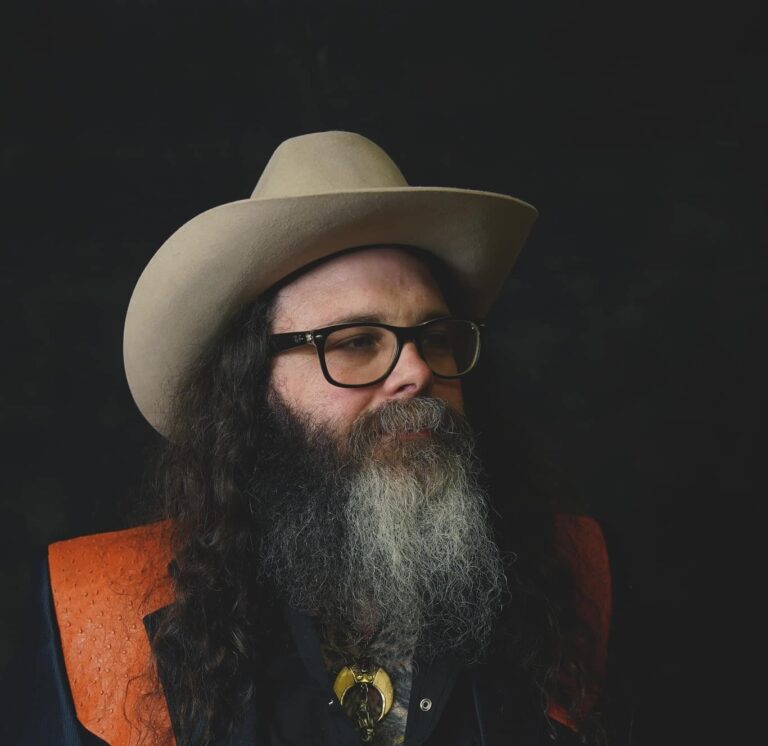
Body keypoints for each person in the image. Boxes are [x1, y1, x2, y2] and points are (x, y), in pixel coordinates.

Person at [9, 131, 613, 745]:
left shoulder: (574, 572)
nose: (416, 371)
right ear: (252, 387)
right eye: (355, 342)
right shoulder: (93, 605)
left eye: (435, 338)